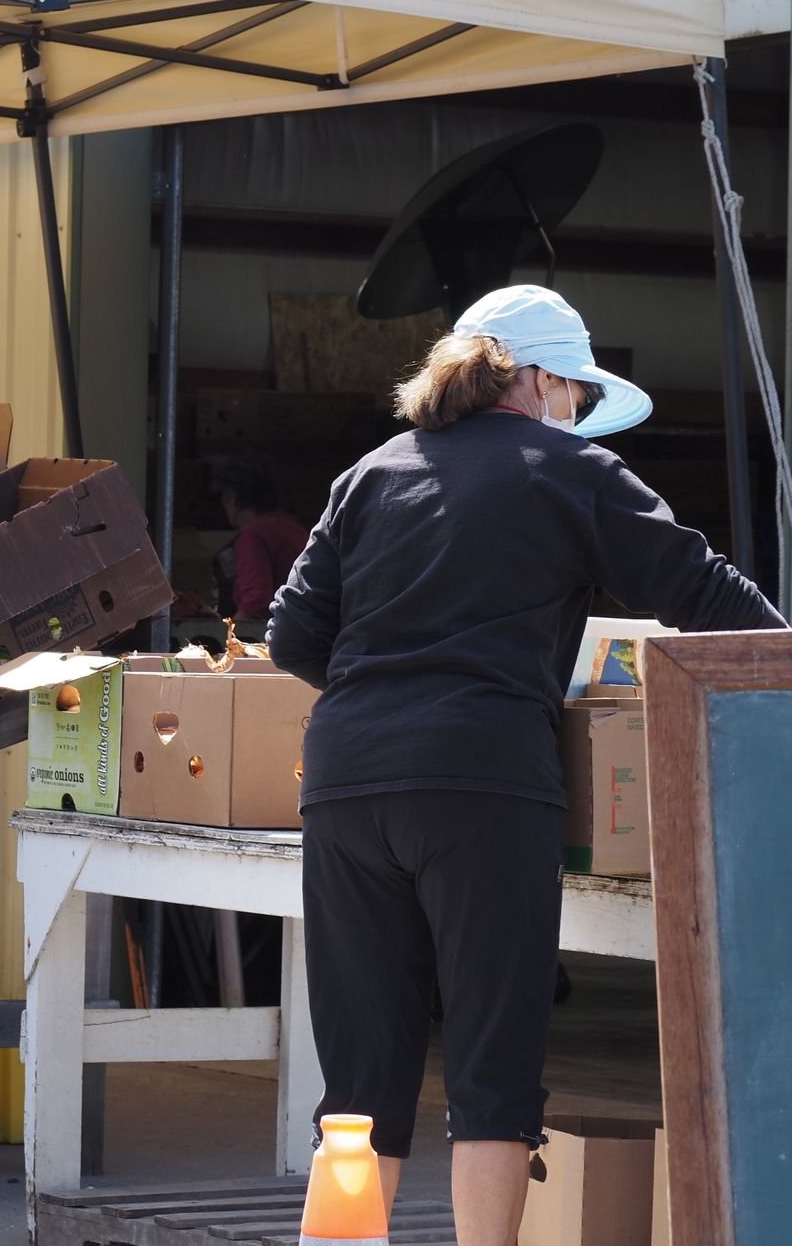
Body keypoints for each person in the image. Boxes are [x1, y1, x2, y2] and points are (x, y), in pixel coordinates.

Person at [269, 285, 784, 1246]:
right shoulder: (571, 471)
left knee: (361, 1079)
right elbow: (697, 587)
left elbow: (294, 632)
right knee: (492, 1071)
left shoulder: (371, 473)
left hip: (345, 785)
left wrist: (382, 693)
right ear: (540, 377)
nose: (580, 414)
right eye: (577, 393)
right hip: (482, 779)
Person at [211, 455, 307, 622]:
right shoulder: (291, 527)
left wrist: (228, 641)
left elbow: (256, 602)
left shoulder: (253, 535)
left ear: (231, 498)